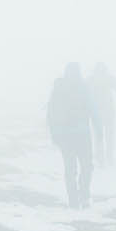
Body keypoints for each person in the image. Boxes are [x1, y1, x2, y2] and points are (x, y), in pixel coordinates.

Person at [47, 62, 94, 209]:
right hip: (81, 135)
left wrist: (54, 134)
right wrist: (98, 128)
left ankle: (75, 200)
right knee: (85, 167)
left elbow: (50, 112)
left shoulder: (62, 88)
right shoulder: (80, 88)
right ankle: (82, 196)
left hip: (66, 137)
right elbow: (92, 108)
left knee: (72, 169)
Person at [86, 62, 116, 163]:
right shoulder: (108, 78)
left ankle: (100, 158)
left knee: (99, 136)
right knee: (109, 135)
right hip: (108, 112)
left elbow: (83, 92)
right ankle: (109, 157)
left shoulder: (91, 79)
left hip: (96, 113)